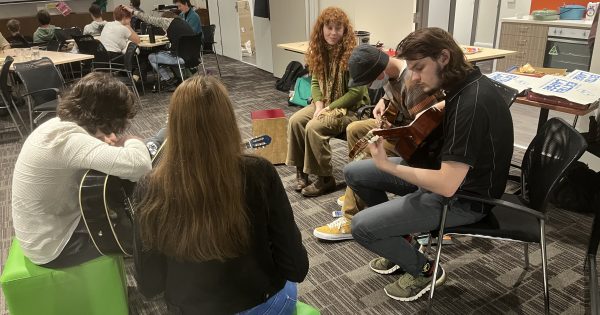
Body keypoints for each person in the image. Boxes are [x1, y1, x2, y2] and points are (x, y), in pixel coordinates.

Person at [348, 27, 514, 301]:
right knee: (354, 172)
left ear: (444, 57)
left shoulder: (471, 104)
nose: (413, 77)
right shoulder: (463, 86)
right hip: (445, 175)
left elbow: (447, 185)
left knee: (361, 227)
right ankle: (403, 245)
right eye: (411, 68)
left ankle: (425, 271)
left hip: (465, 199)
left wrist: (388, 166)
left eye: (419, 68)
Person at [133, 75, 309, 314]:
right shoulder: (259, 173)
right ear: (228, 120)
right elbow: (296, 267)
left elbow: (149, 284)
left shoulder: (149, 186)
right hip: (258, 303)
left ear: (173, 124)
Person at [11, 72, 152, 268]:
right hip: (55, 247)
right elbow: (140, 166)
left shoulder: (58, 125)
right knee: (148, 234)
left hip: (41, 231)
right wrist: (131, 140)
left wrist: (103, 139)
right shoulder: (68, 140)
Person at [313, 44, 444, 241]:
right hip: (403, 127)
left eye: (370, 80)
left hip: (419, 146)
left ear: (380, 72)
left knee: (369, 149)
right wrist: (384, 101)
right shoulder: (393, 72)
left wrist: (386, 132)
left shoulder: (414, 84)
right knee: (355, 129)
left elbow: (423, 132)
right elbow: (393, 90)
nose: (369, 85)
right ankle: (360, 191)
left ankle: (351, 216)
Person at [287, 6, 369, 197]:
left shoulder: (353, 55)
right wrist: (319, 105)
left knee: (314, 127)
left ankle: (325, 179)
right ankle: (302, 171)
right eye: (329, 27)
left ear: (345, 30)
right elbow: (315, 82)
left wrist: (329, 107)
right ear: (321, 28)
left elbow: (356, 93)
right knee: (296, 121)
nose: (333, 33)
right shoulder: (319, 50)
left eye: (338, 28)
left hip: (350, 110)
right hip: (326, 103)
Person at [121, 5, 196, 90]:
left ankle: (168, 80)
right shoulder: (182, 22)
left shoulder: (167, 21)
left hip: (181, 57)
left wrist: (132, 11)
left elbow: (148, 18)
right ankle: (178, 78)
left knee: (152, 56)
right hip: (194, 56)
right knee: (166, 53)